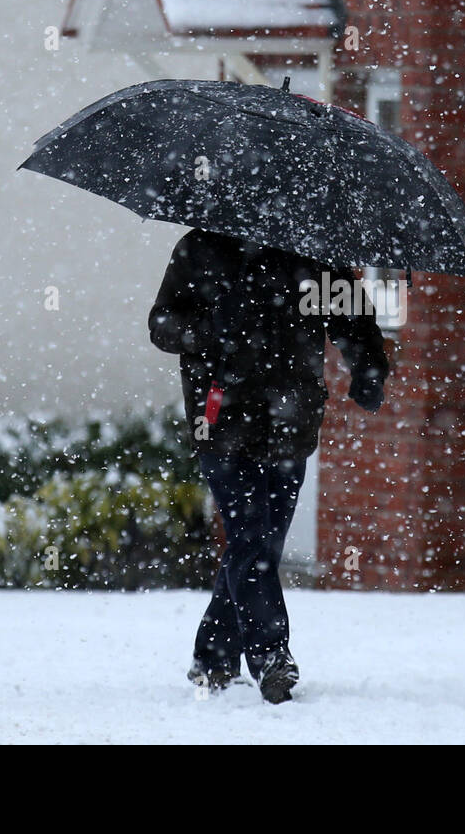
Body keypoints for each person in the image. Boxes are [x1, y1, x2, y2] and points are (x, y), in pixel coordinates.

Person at [148, 228, 389, 703]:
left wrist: (369, 367)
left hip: (289, 425)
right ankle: (271, 656)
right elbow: (162, 323)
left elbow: (351, 316)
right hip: (219, 422)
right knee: (251, 539)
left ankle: (212, 658)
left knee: (258, 545)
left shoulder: (313, 253)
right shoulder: (201, 249)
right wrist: (209, 332)